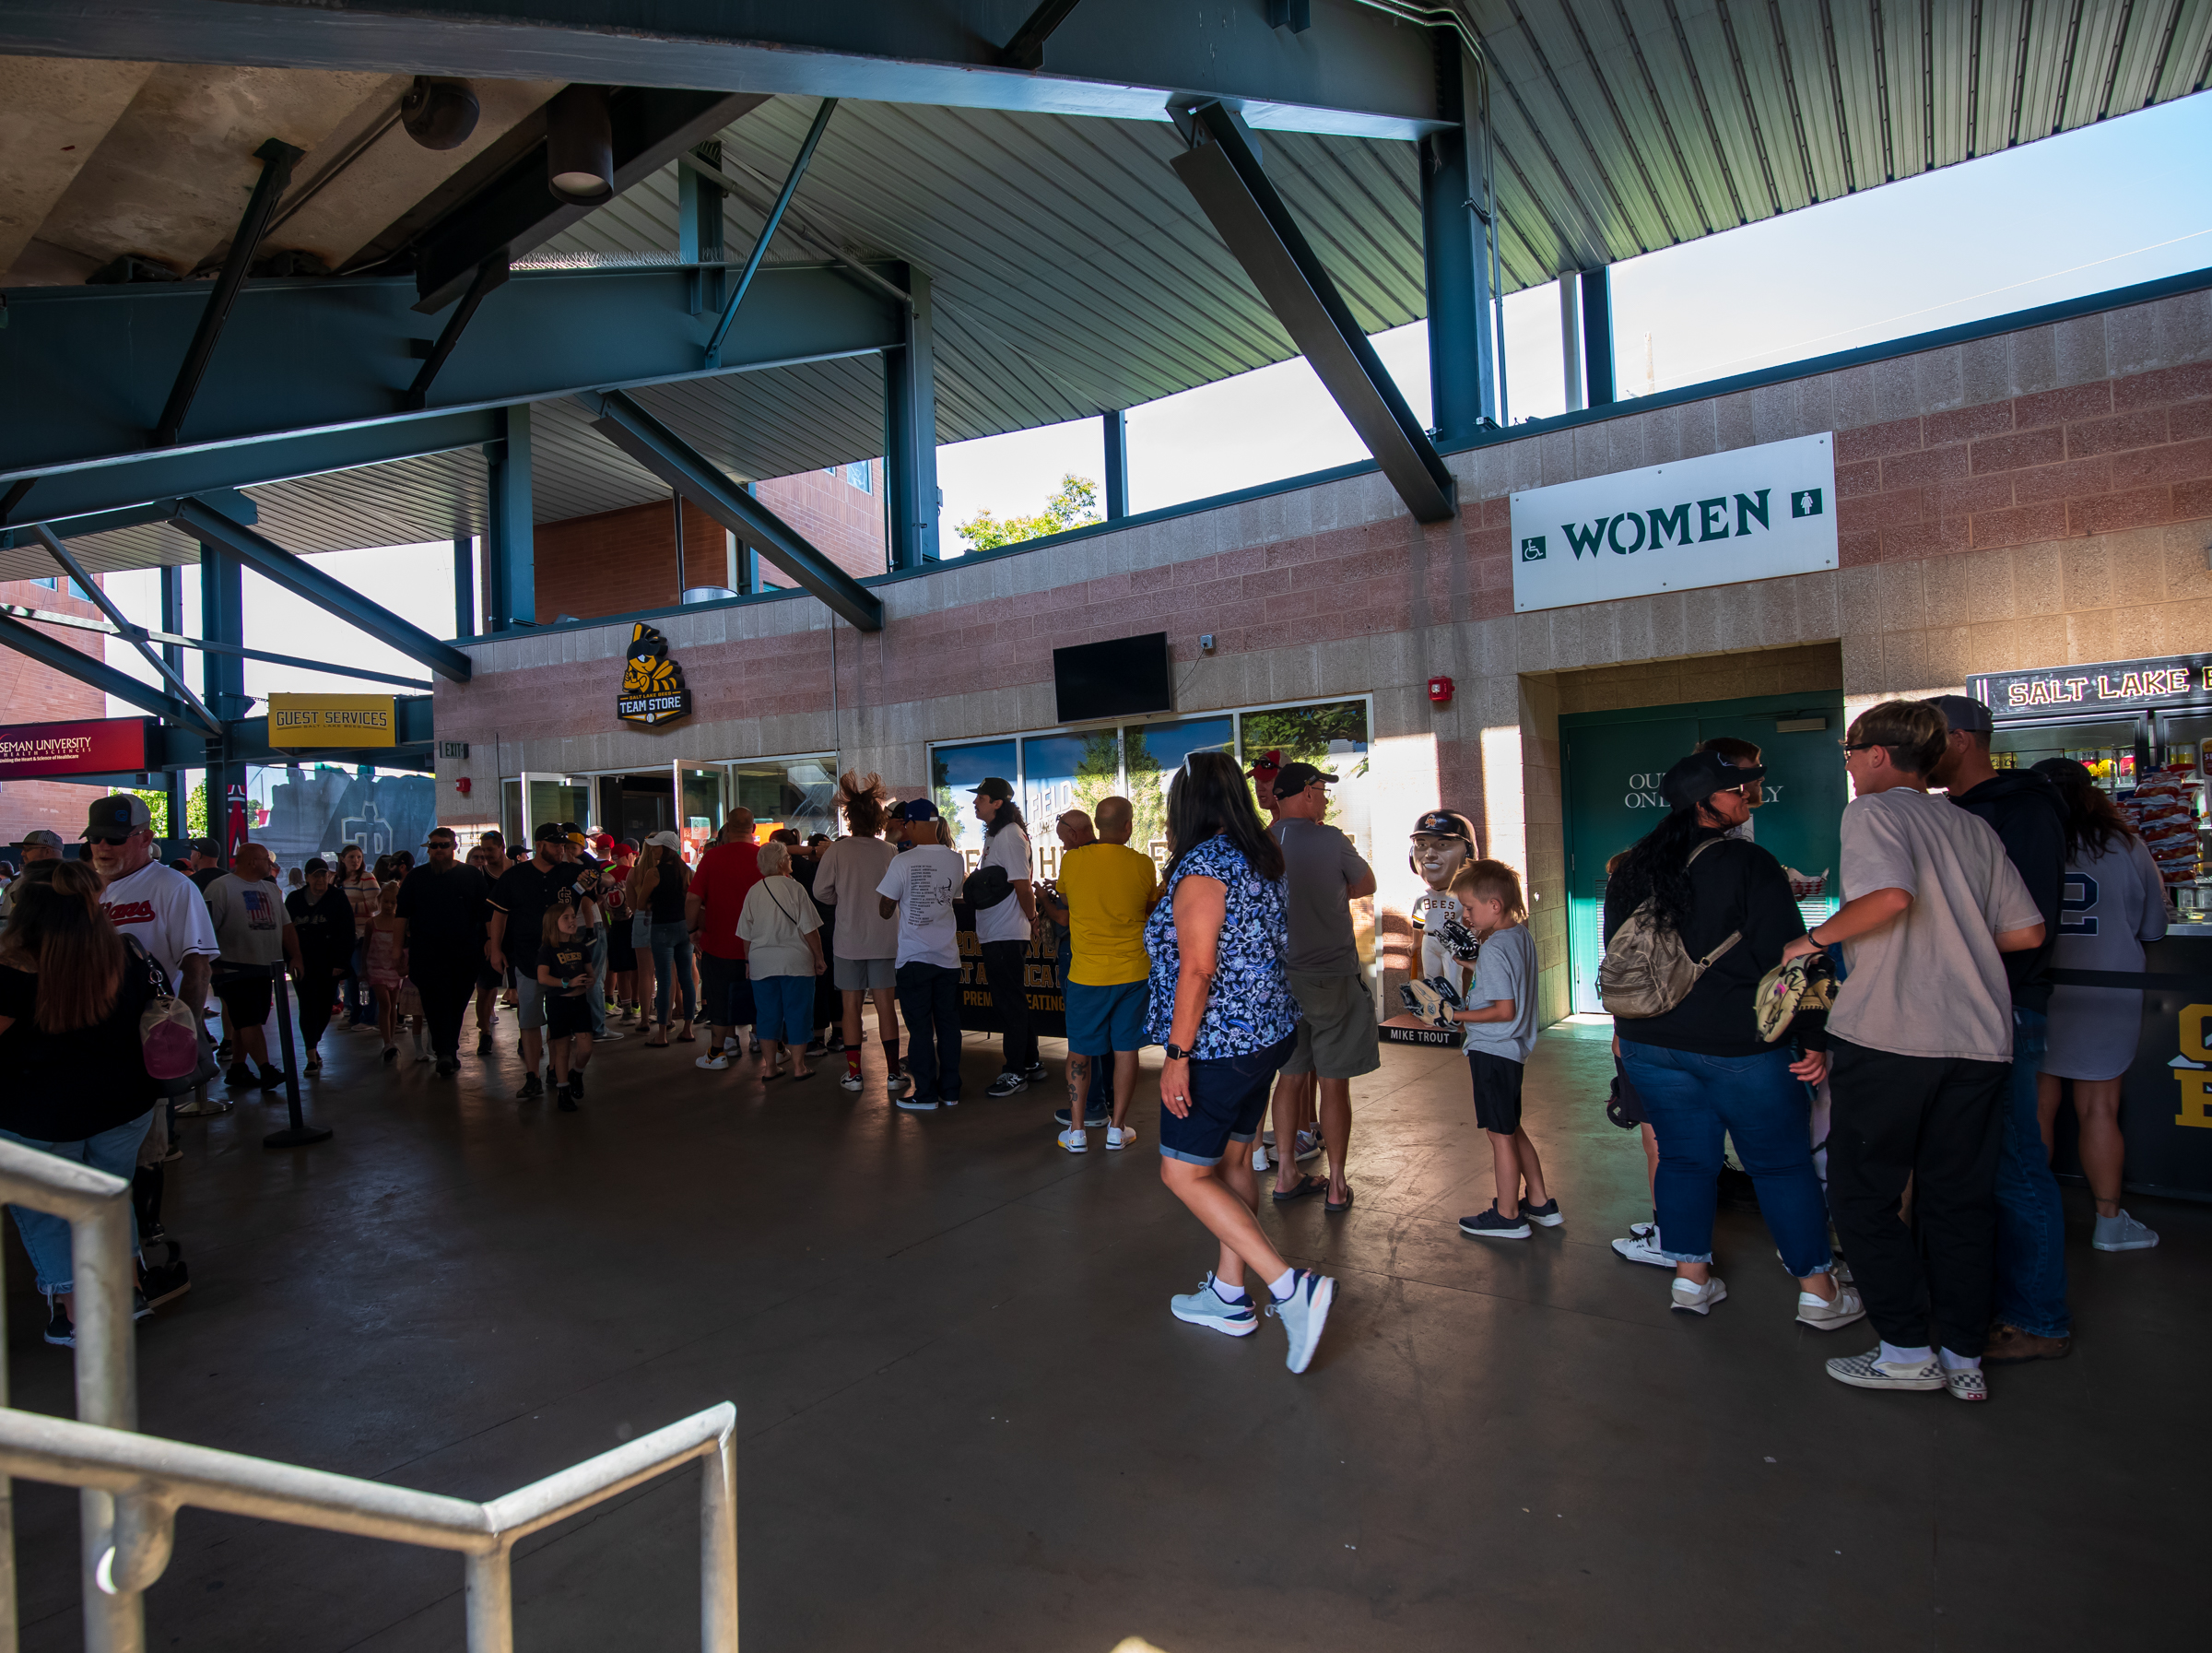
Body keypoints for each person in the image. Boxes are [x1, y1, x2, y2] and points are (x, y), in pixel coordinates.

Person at [1781, 701, 2044, 1401]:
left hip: (1893, 1034)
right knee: (1960, 1201)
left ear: (1874, 754)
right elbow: (2026, 933)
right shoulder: (1970, 825)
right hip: (1981, 1041)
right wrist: (1954, 943)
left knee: (1863, 1196)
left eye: (1849, 755)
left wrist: (1810, 940)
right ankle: (1963, 1357)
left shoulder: (1871, 814)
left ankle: (1903, 1349)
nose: (1850, 769)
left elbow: (1891, 896)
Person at [1599, 752, 1857, 1329]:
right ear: (1703, 802)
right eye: (1737, 790)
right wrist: (1813, 1037)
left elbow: (1619, 961)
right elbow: (1793, 958)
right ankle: (1819, 1292)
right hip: (1741, 1048)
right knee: (1781, 1166)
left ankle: (1691, 1282)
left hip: (1651, 1042)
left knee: (1686, 1160)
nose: (1747, 797)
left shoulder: (1633, 866)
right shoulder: (1749, 862)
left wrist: (1623, 1034)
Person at [1147, 750, 1334, 1374]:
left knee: (1182, 1173)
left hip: (1218, 1047)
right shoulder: (1262, 858)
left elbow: (1198, 968)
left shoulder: (1204, 867)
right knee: (1230, 1160)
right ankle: (1229, 1295)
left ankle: (1288, 1286)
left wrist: (1177, 1055)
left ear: (1189, 804)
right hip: (1267, 1034)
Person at [1925, 693, 2072, 1364]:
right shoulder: (1950, 812)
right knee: (1969, 1163)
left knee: (2015, 1161)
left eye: (1927, 737)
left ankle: (2038, 1317)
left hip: (2005, 1007)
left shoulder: (2024, 809)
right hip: (1951, 1012)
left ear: (1960, 739)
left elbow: (2028, 929)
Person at [0, 860, 164, 1346]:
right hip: (124, 1107)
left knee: (50, 1212)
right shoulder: (128, 954)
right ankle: (129, 1293)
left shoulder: (12, 972)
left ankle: (78, 1316)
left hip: (39, 1119)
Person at [2031, 756, 2168, 1253]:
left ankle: (2031, 1220)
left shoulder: (2026, 843)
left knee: (2037, 1107)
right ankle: (2109, 1223)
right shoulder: (2126, 844)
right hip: (2107, 993)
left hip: (2040, 990)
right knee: (2099, 1110)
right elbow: (2155, 927)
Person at [1259, 761, 1378, 1211]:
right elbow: (1365, 883)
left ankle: (1287, 1173)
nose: (1326, 799)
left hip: (1279, 981)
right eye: (1322, 791)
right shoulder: (1330, 839)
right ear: (1306, 793)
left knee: (1288, 1079)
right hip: (1331, 977)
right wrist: (1330, 888)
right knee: (1333, 1082)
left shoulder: (1262, 844)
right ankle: (1337, 1185)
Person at [1446, 859, 1561, 1238]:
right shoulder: (1519, 936)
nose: (1465, 915)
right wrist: (1472, 962)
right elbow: (1503, 974)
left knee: (1499, 1136)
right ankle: (1541, 1203)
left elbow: (1502, 1009)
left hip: (1493, 1051)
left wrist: (1457, 1015)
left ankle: (1509, 1214)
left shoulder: (1495, 948)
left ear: (1494, 905)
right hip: (1512, 1052)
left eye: (1469, 907)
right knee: (1510, 1128)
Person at [1043, 795, 1156, 1153]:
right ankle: (1116, 1129)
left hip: (1086, 974)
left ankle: (1076, 1132)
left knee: (1079, 1051)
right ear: (1128, 825)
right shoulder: (1142, 864)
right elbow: (1149, 908)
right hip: (1133, 972)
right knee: (1126, 1050)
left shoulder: (1072, 861)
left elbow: (1065, 907)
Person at [814, 773, 904, 1094]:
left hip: (848, 940)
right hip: (885, 938)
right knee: (885, 1006)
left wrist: (844, 897)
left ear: (849, 819)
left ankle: (854, 1074)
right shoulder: (889, 852)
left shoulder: (837, 851)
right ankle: (893, 1074)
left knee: (850, 1007)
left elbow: (821, 891)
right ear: (879, 820)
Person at [876, 799, 966, 1112]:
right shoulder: (956, 860)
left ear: (910, 824)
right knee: (949, 1026)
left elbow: (885, 910)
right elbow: (952, 898)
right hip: (947, 958)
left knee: (920, 1030)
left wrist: (894, 898)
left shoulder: (902, 861)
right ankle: (951, 1091)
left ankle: (926, 1094)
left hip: (914, 958)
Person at [486, 823, 583, 1099]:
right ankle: (532, 1075)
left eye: (563, 846)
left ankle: (555, 1068)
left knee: (558, 1018)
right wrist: (495, 950)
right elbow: (499, 916)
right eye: (555, 845)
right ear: (539, 845)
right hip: (527, 958)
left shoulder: (571, 872)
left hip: (563, 959)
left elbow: (601, 877)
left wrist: (602, 879)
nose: (561, 850)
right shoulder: (514, 876)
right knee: (528, 1018)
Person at [203, 842, 301, 1092]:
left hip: (263, 968)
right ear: (251, 862)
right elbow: (206, 929)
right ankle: (266, 1068)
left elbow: (286, 926)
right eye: (266, 861)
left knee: (247, 1021)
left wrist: (296, 955)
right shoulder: (221, 888)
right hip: (234, 969)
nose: (271, 865)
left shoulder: (270, 889)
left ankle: (238, 1068)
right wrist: (212, 964)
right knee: (249, 1021)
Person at [967, 778, 1043, 1097]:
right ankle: (1030, 1062)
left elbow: (1022, 885)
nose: (975, 803)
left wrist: (1033, 918)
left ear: (997, 803)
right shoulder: (998, 835)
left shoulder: (1010, 835)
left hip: (1006, 931)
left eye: (981, 798)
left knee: (1009, 1001)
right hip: (996, 930)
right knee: (1012, 998)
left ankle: (1015, 1071)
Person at [1039, 809, 1113, 1134]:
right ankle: (1109, 1095)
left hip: (1079, 954)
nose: (1063, 845)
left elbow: (1065, 916)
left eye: (1062, 839)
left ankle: (1092, 1105)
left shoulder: (1074, 861)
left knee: (1084, 1034)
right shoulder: (1119, 858)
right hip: (1117, 958)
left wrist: (1043, 898)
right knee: (1114, 1034)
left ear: (1072, 833)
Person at [395, 827, 490, 1078]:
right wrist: (397, 950)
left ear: (454, 846)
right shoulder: (416, 878)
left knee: (457, 1004)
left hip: (464, 954)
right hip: (427, 955)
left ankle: (449, 1049)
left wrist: (492, 942)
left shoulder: (471, 875)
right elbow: (401, 915)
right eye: (433, 846)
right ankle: (445, 1052)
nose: (438, 850)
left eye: (443, 845)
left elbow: (487, 914)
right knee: (435, 1004)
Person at [736, 840, 827, 1080]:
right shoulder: (794, 888)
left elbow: (746, 934)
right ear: (779, 863)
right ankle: (799, 1067)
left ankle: (769, 1067)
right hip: (795, 962)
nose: (790, 860)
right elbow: (810, 929)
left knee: (767, 1015)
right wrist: (819, 957)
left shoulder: (754, 891)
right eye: (787, 856)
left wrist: (748, 962)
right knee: (798, 1013)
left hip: (761, 963)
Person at [688, 810, 763, 1072]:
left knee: (719, 997)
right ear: (753, 828)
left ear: (727, 828)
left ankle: (722, 1048)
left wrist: (692, 929)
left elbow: (693, 899)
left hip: (718, 941)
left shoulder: (711, 858)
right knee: (760, 994)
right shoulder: (763, 858)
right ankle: (759, 1039)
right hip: (759, 944)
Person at [285, 857, 354, 1075]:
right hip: (302, 962)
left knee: (324, 1008)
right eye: (316, 876)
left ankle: (314, 1042)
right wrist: (288, 960)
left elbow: (347, 932)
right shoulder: (294, 900)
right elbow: (286, 932)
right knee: (306, 1005)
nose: (320, 880)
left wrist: (341, 963)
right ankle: (311, 1055)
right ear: (307, 878)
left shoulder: (337, 898)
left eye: (324, 875)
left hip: (328, 963)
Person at [633, 831, 695, 1045]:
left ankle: (661, 1034)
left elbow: (640, 904)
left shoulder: (654, 872)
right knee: (686, 979)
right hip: (683, 927)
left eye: (657, 846)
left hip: (661, 928)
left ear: (666, 848)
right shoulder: (687, 871)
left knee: (664, 979)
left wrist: (654, 904)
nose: (653, 849)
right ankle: (688, 1029)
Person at [535, 897, 594, 1111]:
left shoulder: (581, 947)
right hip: (558, 1003)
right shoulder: (547, 951)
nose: (572, 921)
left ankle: (576, 1073)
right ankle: (563, 1090)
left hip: (580, 1003)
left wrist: (589, 980)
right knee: (562, 1050)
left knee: (586, 1048)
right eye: (566, 917)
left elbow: (591, 972)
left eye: (573, 917)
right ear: (553, 923)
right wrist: (566, 982)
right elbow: (543, 977)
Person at [335, 842, 380, 1027]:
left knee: (363, 977)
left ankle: (368, 1017)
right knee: (351, 979)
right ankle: (355, 1015)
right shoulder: (339, 881)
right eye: (352, 857)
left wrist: (346, 909)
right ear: (343, 860)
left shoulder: (367, 878)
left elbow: (375, 904)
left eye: (359, 857)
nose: (355, 861)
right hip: (345, 936)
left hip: (361, 935)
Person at [364, 882, 406, 1059]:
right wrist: (362, 969)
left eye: (393, 903)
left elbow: (404, 948)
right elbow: (365, 947)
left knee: (393, 1004)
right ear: (379, 901)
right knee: (385, 1003)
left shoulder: (400, 922)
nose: (389, 906)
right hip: (376, 968)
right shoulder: (371, 922)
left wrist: (404, 967)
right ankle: (387, 1040)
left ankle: (391, 1040)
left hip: (394, 969)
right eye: (386, 902)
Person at [604, 838, 641, 1021]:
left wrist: (606, 925)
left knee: (621, 969)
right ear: (629, 856)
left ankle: (625, 1008)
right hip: (634, 924)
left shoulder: (606, 874)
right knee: (637, 967)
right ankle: (636, 1005)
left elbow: (597, 902)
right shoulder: (634, 873)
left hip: (615, 926)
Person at [1, 828, 64, 919]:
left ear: (47, 851)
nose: (22, 853)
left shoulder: (23, 883)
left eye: (28, 849)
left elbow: (6, 921)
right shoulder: (77, 879)